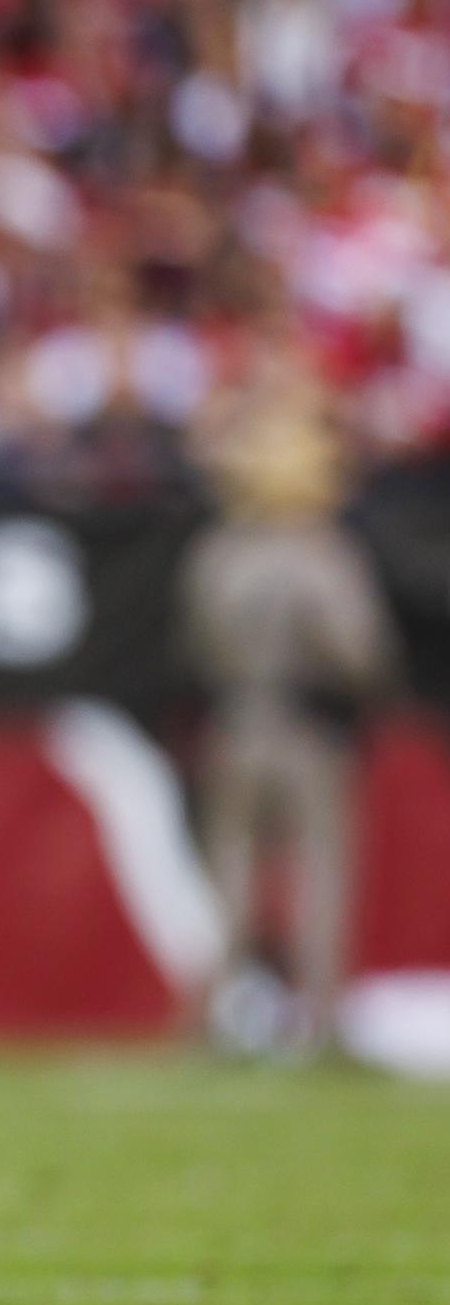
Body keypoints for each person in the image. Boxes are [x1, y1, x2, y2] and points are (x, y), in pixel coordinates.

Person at [181, 338, 398, 1055]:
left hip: (236, 722)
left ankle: (212, 1020)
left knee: (232, 878)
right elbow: (356, 651)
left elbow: (199, 642)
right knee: (321, 876)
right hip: (308, 728)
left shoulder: (217, 553)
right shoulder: (324, 554)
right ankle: (321, 1025)